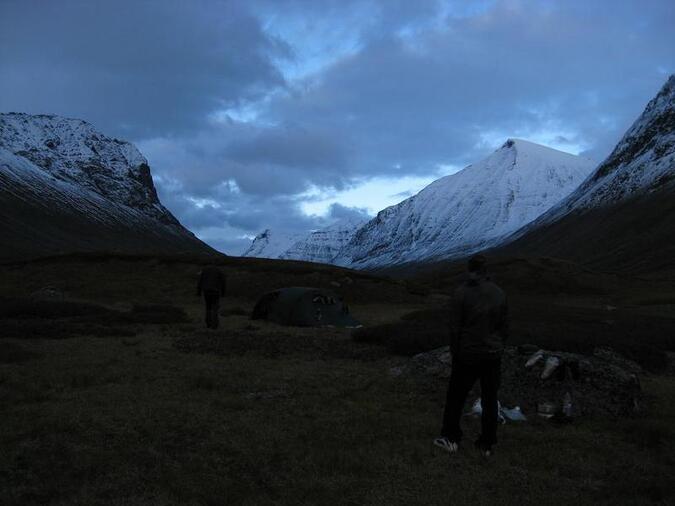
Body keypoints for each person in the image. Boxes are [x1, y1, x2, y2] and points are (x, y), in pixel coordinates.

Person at [434, 255, 509, 457]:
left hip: (467, 355)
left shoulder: (462, 293)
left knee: (456, 397)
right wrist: (498, 346)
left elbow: (454, 328)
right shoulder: (499, 293)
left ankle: (450, 438)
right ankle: (486, 444)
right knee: (490, 399)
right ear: (486, 270)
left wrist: (455, 352)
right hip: (492, 355)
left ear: (470, 270)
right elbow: (504, 326)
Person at [197, 265, 227, 329]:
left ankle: (208, 323)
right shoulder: (219, 271)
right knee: (215, 308)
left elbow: (200, 281)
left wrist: (198, 292)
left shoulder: (204, 270)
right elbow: (223, 282)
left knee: (208, 307)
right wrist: (223, 293)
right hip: (216, 291)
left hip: (206, 291)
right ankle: (214, 325)